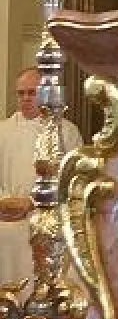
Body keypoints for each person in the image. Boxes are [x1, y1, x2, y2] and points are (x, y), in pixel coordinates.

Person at [0, 68, 83, 286]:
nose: (26, 98)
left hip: (48, 216)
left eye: (32, 92)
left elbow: (73, 182)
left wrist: (32, 203)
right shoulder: (3, 131)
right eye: (21, 93)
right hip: (5, 218)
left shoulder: (66, 132)